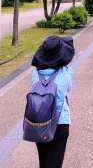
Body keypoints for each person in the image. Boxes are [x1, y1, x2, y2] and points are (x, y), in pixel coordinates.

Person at [31, 36, 74, 168]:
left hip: (38, 121)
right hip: (60, 121)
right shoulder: (66, 72)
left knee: (43, 162)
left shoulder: (35, 73)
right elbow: (69, 93)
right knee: (55, 163)